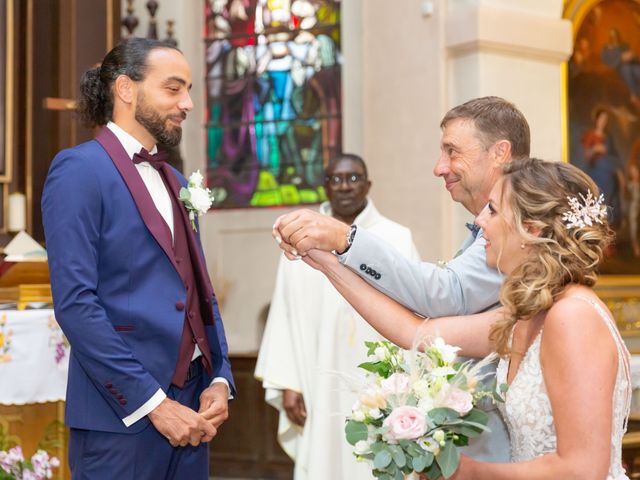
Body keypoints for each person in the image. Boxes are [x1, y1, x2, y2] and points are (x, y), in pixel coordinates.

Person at [302, 158, 631, 479]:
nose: (481, 221)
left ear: (530, 230)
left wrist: (473, 472)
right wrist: (326, 262)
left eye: (494, 210)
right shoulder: (530, 315)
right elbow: (415, 331)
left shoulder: (572, 317)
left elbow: (584, 469)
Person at [273, 96, 532, 461]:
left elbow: (444, 294)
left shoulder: (514, 236)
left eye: (452, 151)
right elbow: (419, 333)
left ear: (500, 152)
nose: (439, 167)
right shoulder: (484, 235)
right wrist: (329, 262)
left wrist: (343, 239)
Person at [41, 38, 235, 479]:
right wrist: (155, 404)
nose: (186, 103)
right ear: (126, 89)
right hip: (121, 418)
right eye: (173, 89)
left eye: (188, 89)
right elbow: (76, 304)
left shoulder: (176, 179)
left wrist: (220, 376)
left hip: (192, 412)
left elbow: (197, 288)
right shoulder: (79, 170)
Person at [255, 154, 420, 479]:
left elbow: (415, 309)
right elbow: (286, 315)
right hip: (319, 380)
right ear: (325, 186)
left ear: (368, 185)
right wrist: (289, 383)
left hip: (382, 385)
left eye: (354, 178)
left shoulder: (397, 238)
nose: (345, 186)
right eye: (336, 179)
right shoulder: (299, 242)